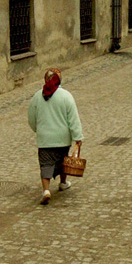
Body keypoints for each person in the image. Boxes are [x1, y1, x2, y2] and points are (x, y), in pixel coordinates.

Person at [28, 68, 83, 205]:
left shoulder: (37, 97)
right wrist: (78, 137)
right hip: (62, 138)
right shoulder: (66, 96)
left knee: (45, 164)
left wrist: (38, 129)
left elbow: (31, 117)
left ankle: (46, 190)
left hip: (45, 139)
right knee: (63, 161)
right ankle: (63, 182)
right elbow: (73, 119)